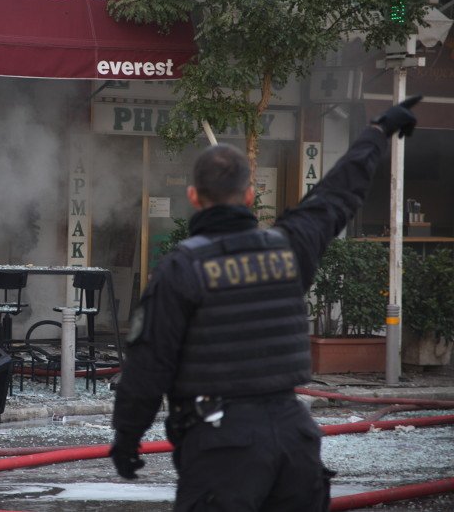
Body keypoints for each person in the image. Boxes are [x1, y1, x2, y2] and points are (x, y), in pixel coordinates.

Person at [110, 96, 422, 511]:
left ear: (193, 197)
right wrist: (378, 132)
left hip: (222, 449)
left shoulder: (180, 269)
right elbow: (337, 194)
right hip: (295, 440)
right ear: (251, 195)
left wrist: (128, 439)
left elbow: (148, 366)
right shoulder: (290, 247)